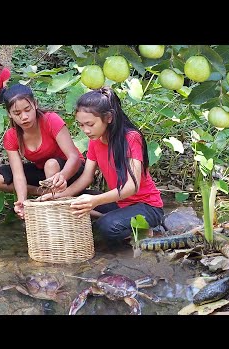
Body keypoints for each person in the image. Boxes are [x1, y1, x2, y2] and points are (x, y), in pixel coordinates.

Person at [42, 87, 164, 242]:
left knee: (106, 227)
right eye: (81, 125)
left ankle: (146, 232)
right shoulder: (95, 141)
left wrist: (95, 201)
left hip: (147, 207)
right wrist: (58, 196)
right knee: (76, 199)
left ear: (108, 118)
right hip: (120, 203)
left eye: (90, 124)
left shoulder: (131, 138)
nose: (86, 130)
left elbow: (132, 187)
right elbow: (86, 177)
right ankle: (109, 218)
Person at [0, 83, 85, 219]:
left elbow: (73, 157)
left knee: (50, 164)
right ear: (9, 114)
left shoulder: (51, 120)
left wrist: (62, 176)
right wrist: (22, 201)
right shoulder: (11, 135)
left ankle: (56, 204)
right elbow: (18, 174)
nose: (24, 117)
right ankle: (43, 193)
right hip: (44, 175)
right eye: (17, 113)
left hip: (70, 169)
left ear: (35, 104)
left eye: (27, 110)